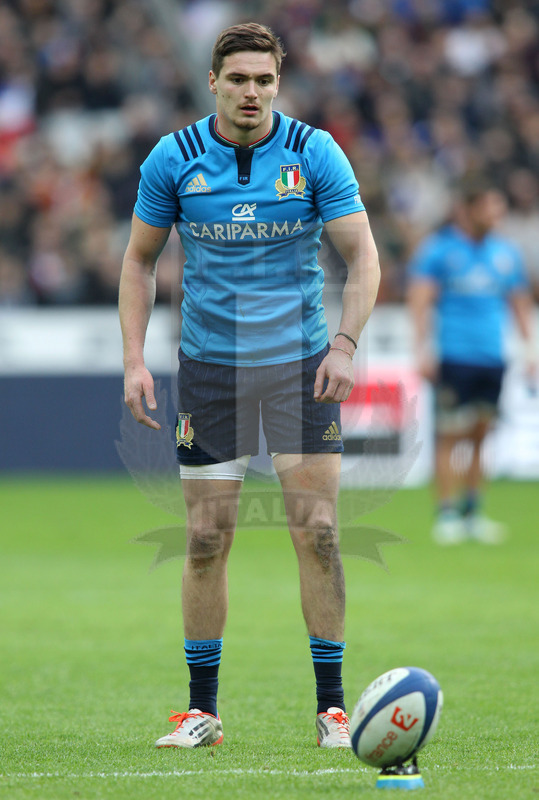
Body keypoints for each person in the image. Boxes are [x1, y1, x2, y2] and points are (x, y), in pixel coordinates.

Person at [119, 22, 380, 749]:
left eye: (264, 80)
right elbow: (138, 261)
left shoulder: (313, 152)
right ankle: (201, 712)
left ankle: (332, 712)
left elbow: (363, 256)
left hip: (300, 366)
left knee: (319, 532)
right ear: (213, 82)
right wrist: (134, 360)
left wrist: (345, 345)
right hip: (211, 367)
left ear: (277, 84)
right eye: (238, 79)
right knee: (205, 538)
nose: (251, 92)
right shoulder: (173, 158)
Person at [407, 176, 536, 545]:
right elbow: (420, 300)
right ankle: (446, 514)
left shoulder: (506, 253)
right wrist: (422, 349)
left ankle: (473, 512)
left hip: (492, 357)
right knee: (450, 435)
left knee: (482, 434)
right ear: (468, 209)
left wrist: (529, 350)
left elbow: (519, 302)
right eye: (490, 207)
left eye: (499, 208)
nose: (497, 215)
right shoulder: (439, 250)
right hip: (454, 355)